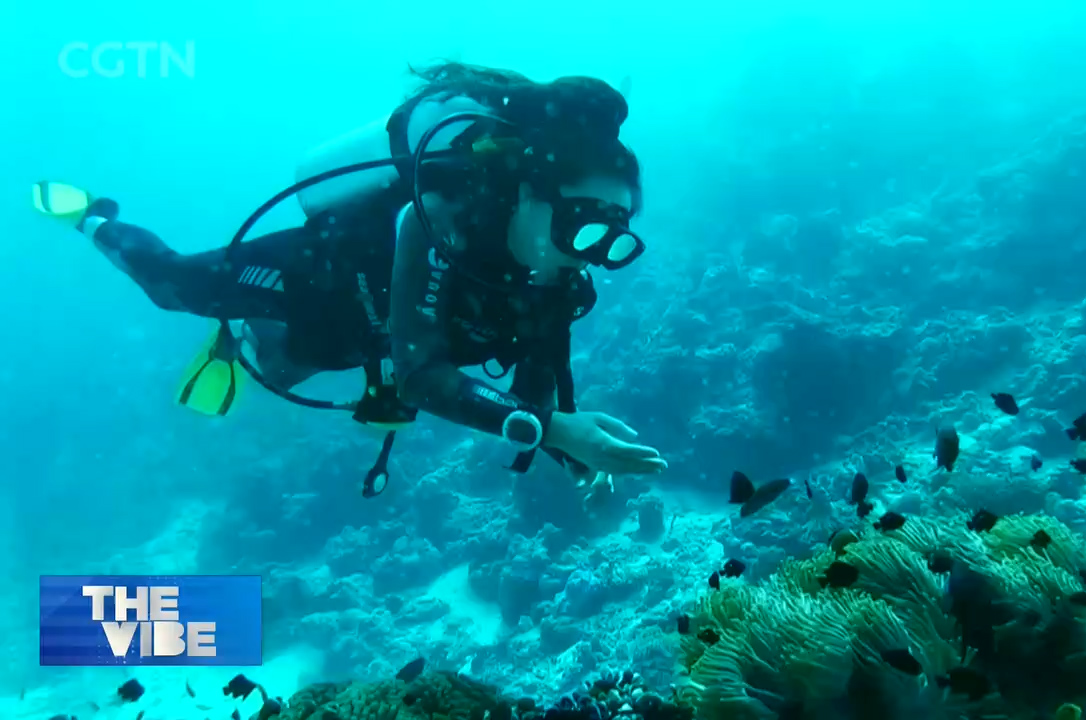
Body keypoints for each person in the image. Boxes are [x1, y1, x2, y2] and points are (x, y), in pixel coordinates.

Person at [33, 62, 667, 493]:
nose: (591, 253)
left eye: (614, 240)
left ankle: (248, 344)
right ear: (530, 192)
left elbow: (542, 381)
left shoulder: (554, 274)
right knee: (176, 288)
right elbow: (422, 378)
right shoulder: (442, 216)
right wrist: (556, 431)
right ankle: (93, 219)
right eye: (583, 228)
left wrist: (578, 457)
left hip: (366, 342)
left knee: (287, 363)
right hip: (322, 281)